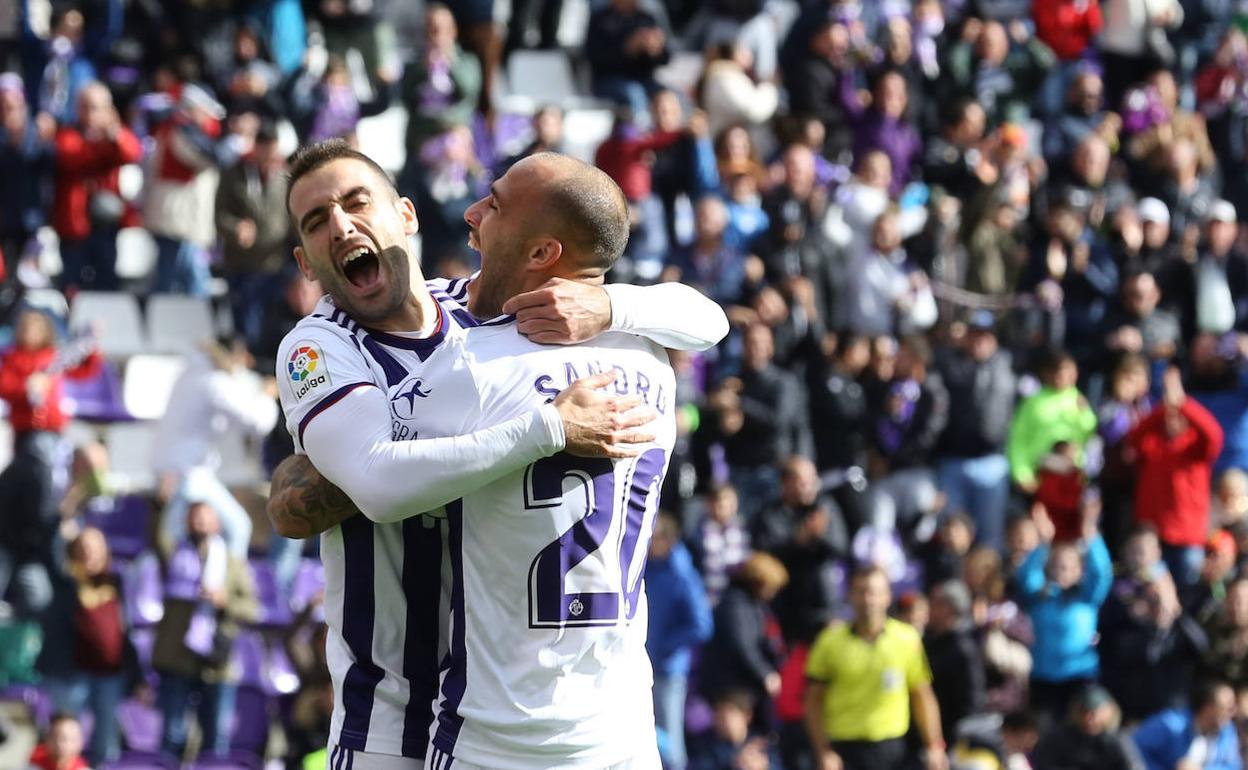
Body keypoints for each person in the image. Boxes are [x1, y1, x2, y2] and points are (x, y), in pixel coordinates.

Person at [267, 141, 728, 768]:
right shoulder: (316, 348)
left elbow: (706, 317)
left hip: (491, 709)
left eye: (355, 203)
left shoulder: (492, 328)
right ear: (306, 262)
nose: (341, 226)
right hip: (391, 714)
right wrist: (546, 427)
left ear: (406, 215)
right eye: (317, 222)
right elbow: (361, 483)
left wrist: (612, 302)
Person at [803, 565, 948, 770]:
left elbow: (922, 694)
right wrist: (823, 751)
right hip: (844, 749)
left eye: (874, 592)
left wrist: (934, 745)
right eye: (861, 592)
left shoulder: (906, 639)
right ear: (850, 596)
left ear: (887, 596)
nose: (868, 599)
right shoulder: (830, 642)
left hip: (891, 748)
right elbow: (813, 701)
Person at [152, 500, 258, 759]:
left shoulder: (232, 563)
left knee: (215, 739)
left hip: (216, 664)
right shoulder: (174, 554)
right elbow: (155, 536)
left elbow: (252, 609)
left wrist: (225, 602)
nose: (199, 522)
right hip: (178, 658)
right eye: (194, 517)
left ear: (217, 524)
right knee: (172, 735)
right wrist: (160, 503)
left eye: (205, 517)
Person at [1128, 366, 1224, 587]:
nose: (1173, 421)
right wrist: (1165, 407)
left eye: (1178, 418)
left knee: (1186, 591)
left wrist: (1183, 403)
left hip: (1187, 538)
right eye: (1169, 418)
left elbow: (1213, 434)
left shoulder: (1196, 448)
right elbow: (1135, 437)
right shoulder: (1152, 446)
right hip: (1152, 537)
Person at [645, 513, 714, 770]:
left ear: (667, 539)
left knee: (670, 748)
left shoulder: (682, 573)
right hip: (645, 668)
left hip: (668, 671)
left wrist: (664, 646)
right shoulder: (648, 567)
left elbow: (702, 625)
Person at [1132, 679, 1241, 770]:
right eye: (1228, 708)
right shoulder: (1169, 725)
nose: (1233, 713)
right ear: (1208, 709)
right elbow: (1134, 749)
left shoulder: (1227, 732)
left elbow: (1234, 766)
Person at [1030, 685, 1145, 770]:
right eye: (1083, 712)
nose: (1089, 718)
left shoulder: (1117, 740)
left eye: (1094, 713)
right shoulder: (1058, 739)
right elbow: (1044, 765)